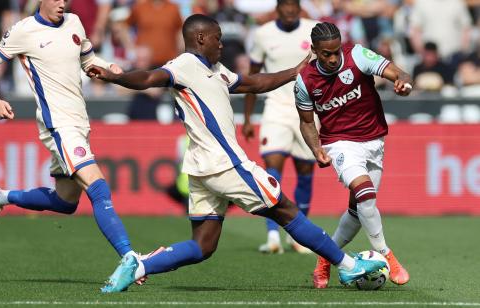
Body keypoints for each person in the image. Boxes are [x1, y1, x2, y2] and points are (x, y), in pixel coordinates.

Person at [86, 14, 386, 293]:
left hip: (202, 168)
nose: (221, 44)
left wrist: (294, 72)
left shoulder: (215, 70)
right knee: (284, 209)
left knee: (203, 245)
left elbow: (252, 82)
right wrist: (116, 77)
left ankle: (139, 265)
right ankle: (348, 266)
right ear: (200, 38)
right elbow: (149, 78)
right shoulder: (184, 65)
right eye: (217, 38)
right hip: (225, 163)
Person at [0, 0, 138, 272]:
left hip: (79, 123)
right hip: (59, 126)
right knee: (98, 188)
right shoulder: (23, 31)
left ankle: (0, 197)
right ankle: (129, 258)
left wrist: (108, 67)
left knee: (66, 202)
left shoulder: (74, 22)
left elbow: (87, 60)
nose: (62, 3)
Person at [293, 22, 411, 289]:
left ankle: (324, 260)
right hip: (340, 143)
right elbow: (307, 121)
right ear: (314, 51)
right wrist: (316, 149)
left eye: (336, 52)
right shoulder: (305, 80)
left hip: (374, 140)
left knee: (358, 211)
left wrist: (403, 83)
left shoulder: (358, 55)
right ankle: (387, 255)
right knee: (365, 194)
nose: (333, 58)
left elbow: (399, 72)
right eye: (326, 54)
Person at [242, 0, 317, 254]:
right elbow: (253, 77)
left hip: (307, 109)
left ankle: (299, 237)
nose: (289, 11)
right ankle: (273, 235)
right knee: (272, 171)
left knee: (306, 170)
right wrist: (248, 117)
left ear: (299, 8)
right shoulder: (263, 34)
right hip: (275, 107)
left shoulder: (314, 29)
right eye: (285, 6)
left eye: (293, 6)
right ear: (278, 8)